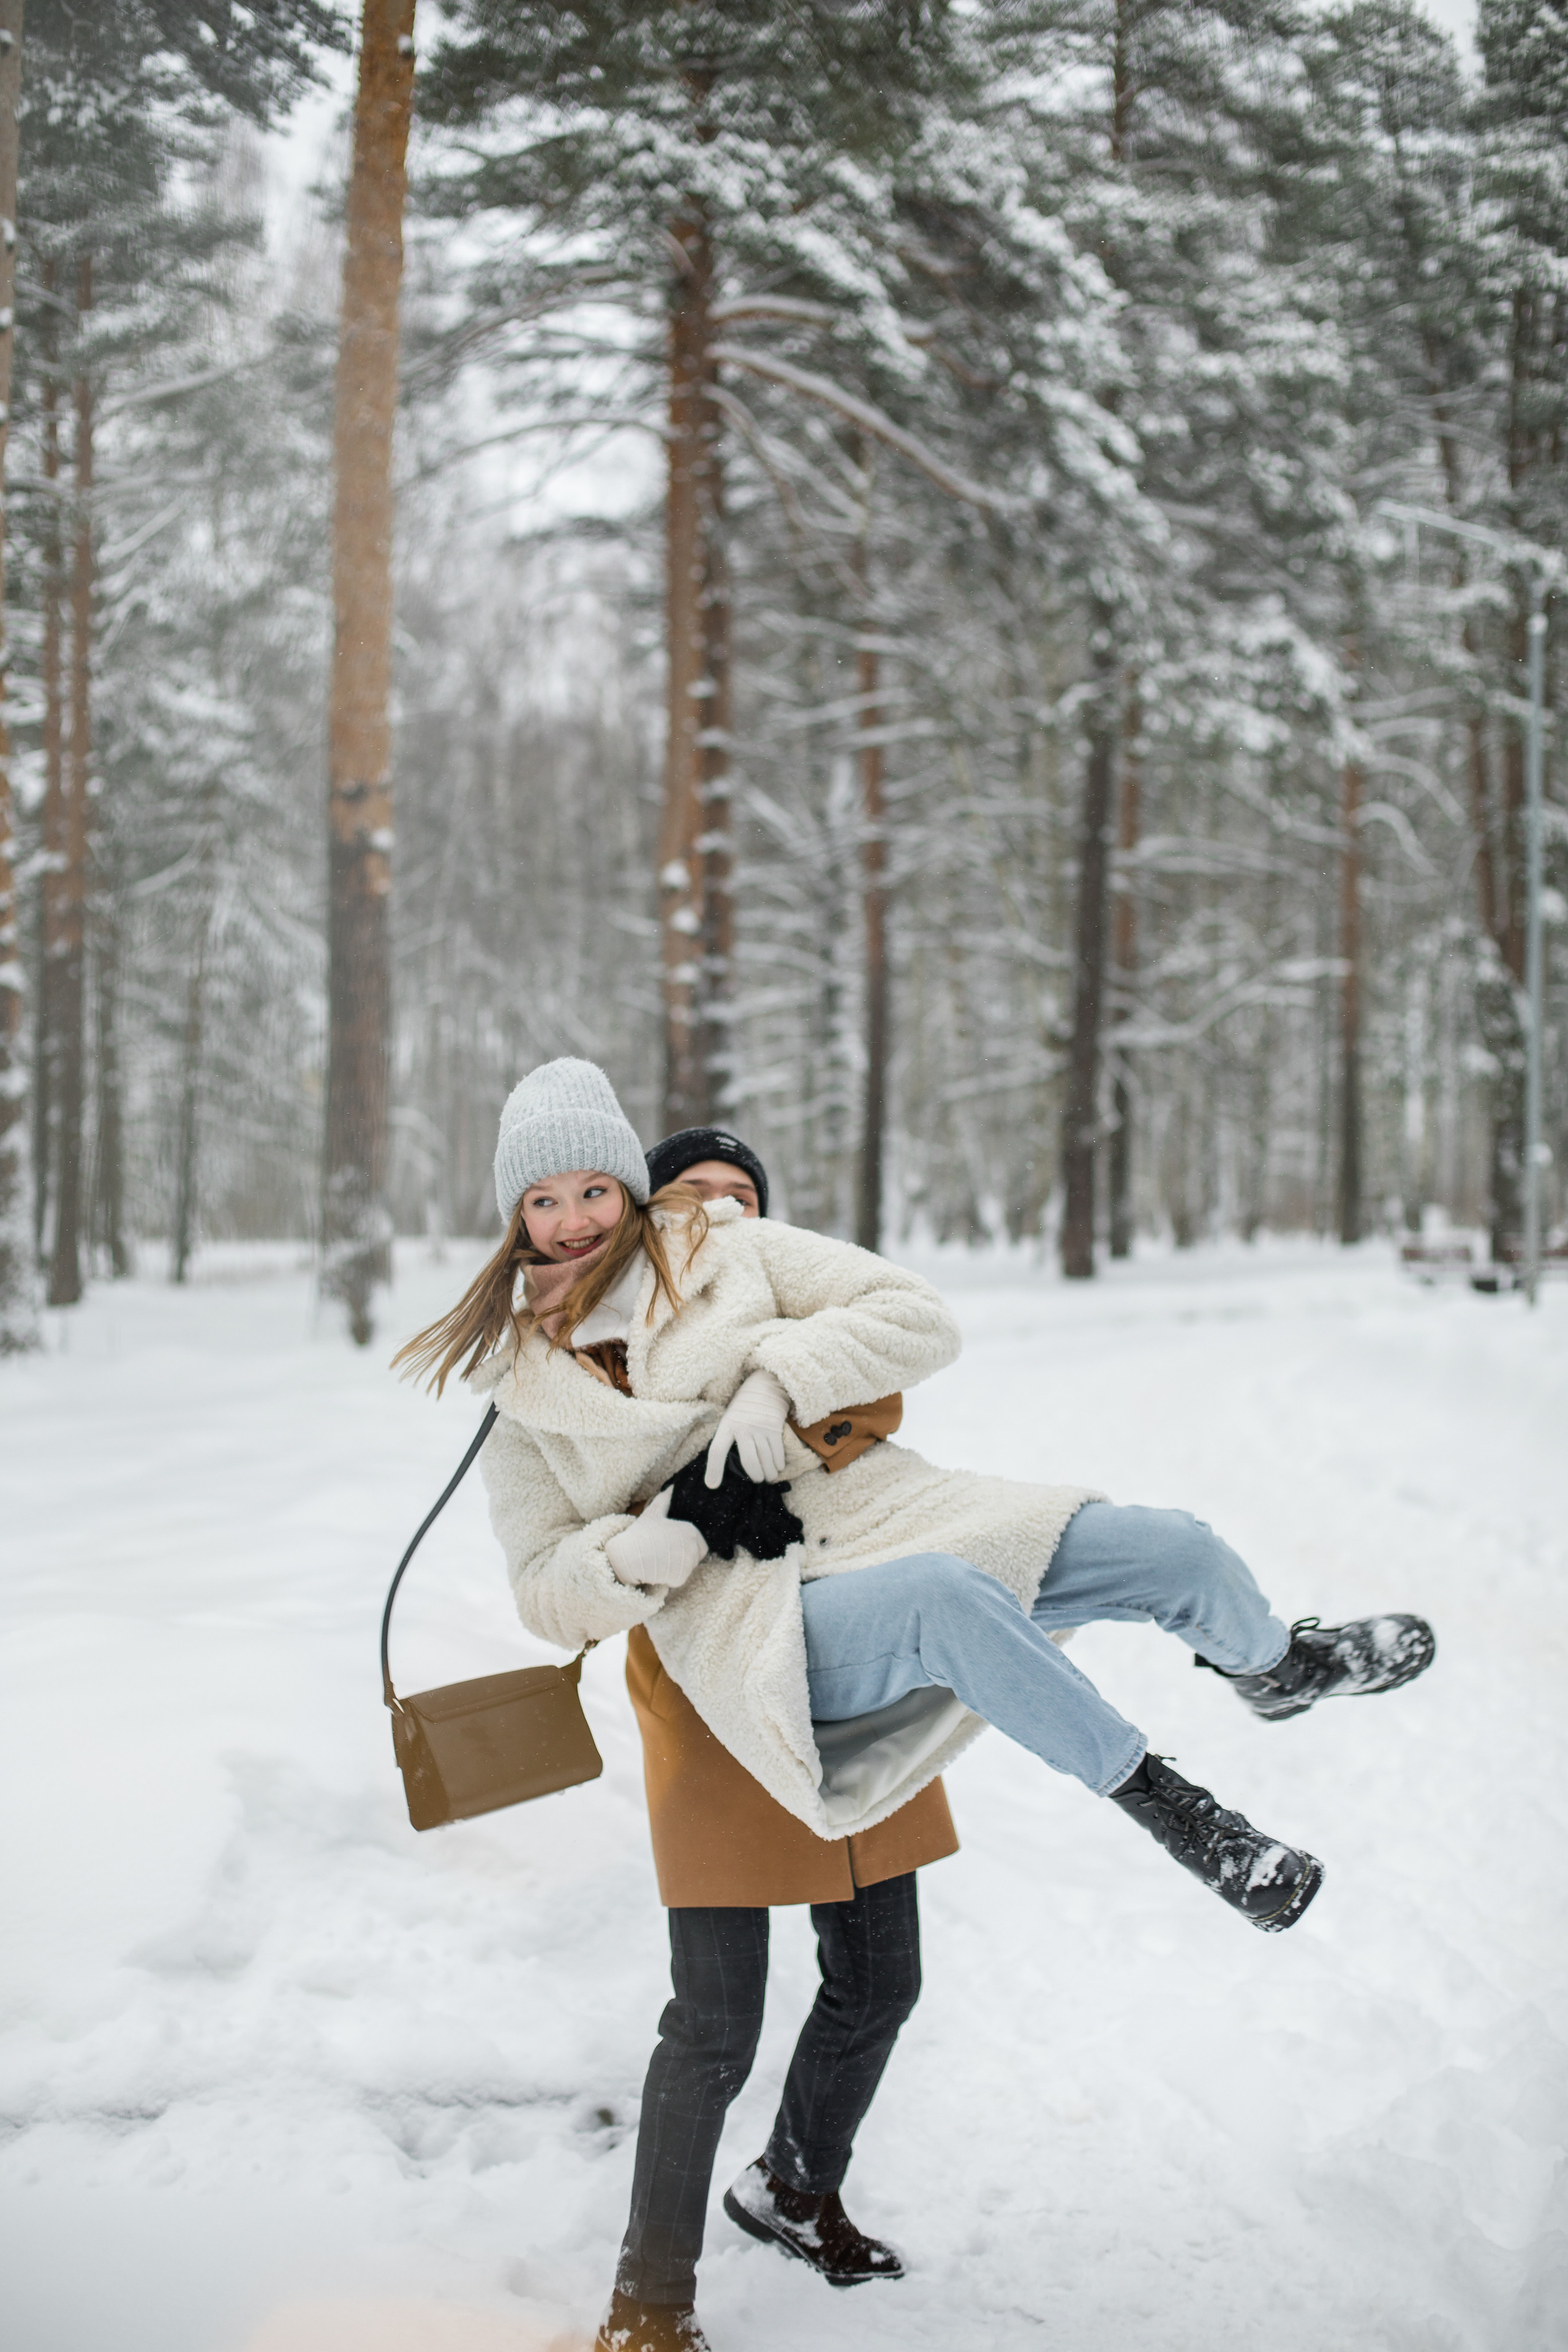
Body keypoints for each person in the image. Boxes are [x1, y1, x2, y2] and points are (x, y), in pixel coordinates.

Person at [398, 1059, 1436, 2352]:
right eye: (541, 1201)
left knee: (1159, 1554)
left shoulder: (722, 1250)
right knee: (715, 2019)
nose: (570, 1220)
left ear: (630, 1183)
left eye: (592, 1187)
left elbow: (912, 1318)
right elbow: (546, 1589)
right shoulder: (519, 1388)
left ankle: (1273, 1666)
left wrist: (779, 1381)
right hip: (738, 1650)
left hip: (877, 1543)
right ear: (511, 1216)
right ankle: (647, 2305)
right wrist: (647, 1547)